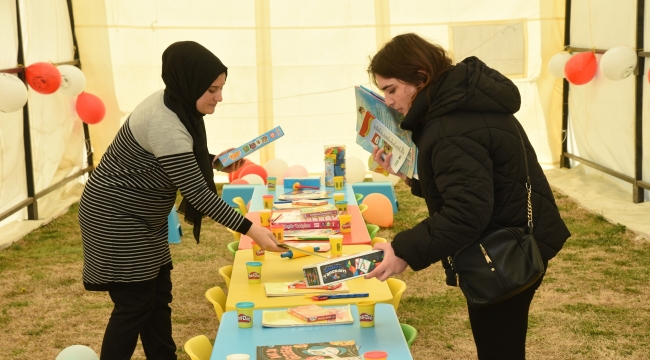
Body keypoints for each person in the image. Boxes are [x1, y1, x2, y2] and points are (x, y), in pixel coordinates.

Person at [363, 33, 571, 359]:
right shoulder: (461, 103)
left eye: (391, 89)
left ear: (420, 77)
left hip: (501, 252)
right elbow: (469, 184)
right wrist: (407, 174)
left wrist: (401, 250)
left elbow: (465, 213)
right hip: (511, 241)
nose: (388, 101)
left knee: (498, 349)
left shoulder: (450, 126)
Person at [78, 41, 284, 360]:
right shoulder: (165, 123)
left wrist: (213, 160)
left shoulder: (175, 103)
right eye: (213, 89)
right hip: (116, 217)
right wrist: (252, 230)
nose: (219, 97)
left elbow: (177, 161)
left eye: (221, 88)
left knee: (158, 296)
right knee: (135, 304)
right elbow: (200, 195)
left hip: (142, 218)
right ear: (190, 83)